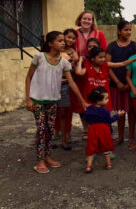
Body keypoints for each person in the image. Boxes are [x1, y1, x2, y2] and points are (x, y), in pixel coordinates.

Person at [25, 31, 87, 174]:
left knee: (49, 129)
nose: (63, 43)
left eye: (63, 41)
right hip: (38, 100)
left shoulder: (64, 62)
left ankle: (47, 157)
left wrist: (83, 101)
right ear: (50, 43)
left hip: (53, 101)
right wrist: (28, 99)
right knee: (41, 130)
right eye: (60, 40)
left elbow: (71, 82)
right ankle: (39, 160)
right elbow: (28, 78)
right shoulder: (39, 57)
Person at [76, 47, 136, 112]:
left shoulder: (106, 65)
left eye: (104, 57)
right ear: (92, 58)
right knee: (93, 120)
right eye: (100, 57)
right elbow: (78, 72)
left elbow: (122, 64)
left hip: (104, 100)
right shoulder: (87, 68)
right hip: (91, 101)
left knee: (106, 119)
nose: (103, 59)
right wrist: (80, 61)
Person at [105, 20, 136, 145]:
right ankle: (120, 136)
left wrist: (130, 83)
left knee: (131, 111)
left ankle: (130, 137)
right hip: (116, 84)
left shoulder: (134, 46)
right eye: (126, 29)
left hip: (131, 83)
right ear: (119, 31)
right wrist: (118, 82)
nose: (128, 32)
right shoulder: (112, 46)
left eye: (130, 29)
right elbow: (107, 66)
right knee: (120, 110)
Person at [84, 87, 125, 173]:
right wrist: (118, 115)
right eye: (106, 98)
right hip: (104, 129)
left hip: (92, 129)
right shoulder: (105, 111)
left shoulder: (89, 109)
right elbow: (110, 120)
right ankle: (108, 164)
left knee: (91, 147)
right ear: (98, 100)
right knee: (105, 147)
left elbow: (86, 119)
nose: (108, 100)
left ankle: (89, 166)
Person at [54, 28, 79, 150]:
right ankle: (54, 134)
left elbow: (72, 67)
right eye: (68, 37)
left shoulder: (73, 52)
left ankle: (65, 137)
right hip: (53, 85)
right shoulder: (55, 51)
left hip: (67, 83)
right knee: (53, 112)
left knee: (65, 112)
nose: (70, 40)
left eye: (73, 38)